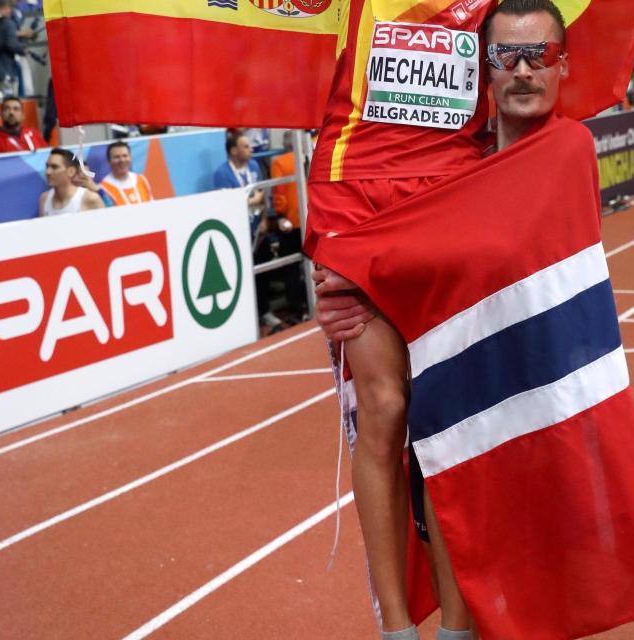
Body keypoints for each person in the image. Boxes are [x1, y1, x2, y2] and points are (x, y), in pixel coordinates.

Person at [309, 1, 570, 638]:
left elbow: (535, 57)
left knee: (450, 422)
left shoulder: (492, 8)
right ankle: (396, 629)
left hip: (451, 196)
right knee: (384, 408)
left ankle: (458, 626)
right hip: (356, 192)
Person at [213, 131, 283, 331]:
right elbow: (227, 203)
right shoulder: (222, 174)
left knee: (262, 273)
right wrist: (251, 200)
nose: (251, 149)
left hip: (256, 230)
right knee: (242, 275)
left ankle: (265, 311)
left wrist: (263, 220)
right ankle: (246, 319)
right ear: (234, 150)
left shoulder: (254, 166)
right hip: (236, 233)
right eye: (245, 146)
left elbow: (262, 196)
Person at [269, 141, 307, 321]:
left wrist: (280, 216)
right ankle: (310, 304)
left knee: (291, 269)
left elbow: (279, 195)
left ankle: (296, 311)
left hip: (291, 223)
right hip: (310, 220)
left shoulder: (279, 163)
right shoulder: (310, 158)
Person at [38, 147, 105, 216]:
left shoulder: (90, 198)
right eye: (47, 166)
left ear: (71, 171)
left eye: (54, 167)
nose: (48, 172)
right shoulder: (44, 198)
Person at [99, 141, 154, 206]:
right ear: (109, 161)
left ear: (130, 157)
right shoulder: (103, 188)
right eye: (117, 157)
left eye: (125, 156)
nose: (122, 160)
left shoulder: (142, 179)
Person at [0, 0, 22, 94]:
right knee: (7, 100)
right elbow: (11, 44)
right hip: (4, 71)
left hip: (1, 71)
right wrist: (23, 50)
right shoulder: (7, 23)